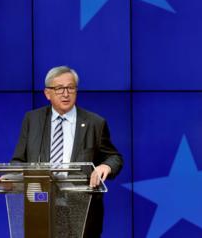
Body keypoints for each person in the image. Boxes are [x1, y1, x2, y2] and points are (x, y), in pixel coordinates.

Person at [11, 65, 123, 237]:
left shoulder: (95, 122)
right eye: (59, 88)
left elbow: (114, 157)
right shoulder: (32, 120)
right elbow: (19, 160)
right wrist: (11, 177)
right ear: (47, 93)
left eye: (70, 88)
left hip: (81, 209)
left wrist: (105, 167)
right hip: (40, 203)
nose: (66, 93)